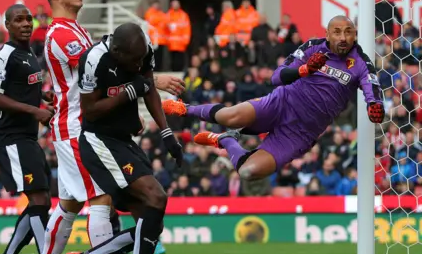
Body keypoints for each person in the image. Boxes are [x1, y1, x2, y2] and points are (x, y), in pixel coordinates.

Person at [32, 0, 184, 254]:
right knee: (100, 199)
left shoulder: (74, 30)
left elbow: (88, 77)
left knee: (70, 202)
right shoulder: (63, 35)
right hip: (79, 126)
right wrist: (149, 81)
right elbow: (106, 74)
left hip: (77, 123)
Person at [163, 16, 385, 181]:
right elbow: (276, 77)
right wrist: (304, 70)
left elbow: (373, 92)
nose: (343, 37)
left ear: (355, 34)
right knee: (230, 116)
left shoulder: (361, 63)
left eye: (348, 32)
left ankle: (226, 140)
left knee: (248, 172)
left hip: (300, 132)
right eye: (337, 32)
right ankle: (185, 109)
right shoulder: (312, 47)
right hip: (281, 103)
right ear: (327, 34)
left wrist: (375, 106)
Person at [62, 22, 184, 254]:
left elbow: (149, 87)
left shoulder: (142, 50)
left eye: (143, 58)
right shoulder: (94, 60)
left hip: (124, 141)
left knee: (150, 221)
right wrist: (131, 90)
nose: (139, 63)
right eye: (134, 60)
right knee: (155, 198)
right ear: (117, 51)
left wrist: (167, 134)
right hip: (99, 141)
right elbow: (90, 110)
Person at [0, 4, 53, 254]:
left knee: (41, 200)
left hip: (26, 137)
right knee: (38, 199)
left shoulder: (30, 55)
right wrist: (35, 111)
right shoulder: (6, 53)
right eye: (18, 20)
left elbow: (24, 90)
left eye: (28, 19)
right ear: (8, 25)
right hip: (10, 138)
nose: (26, 23)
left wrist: (43, 99)